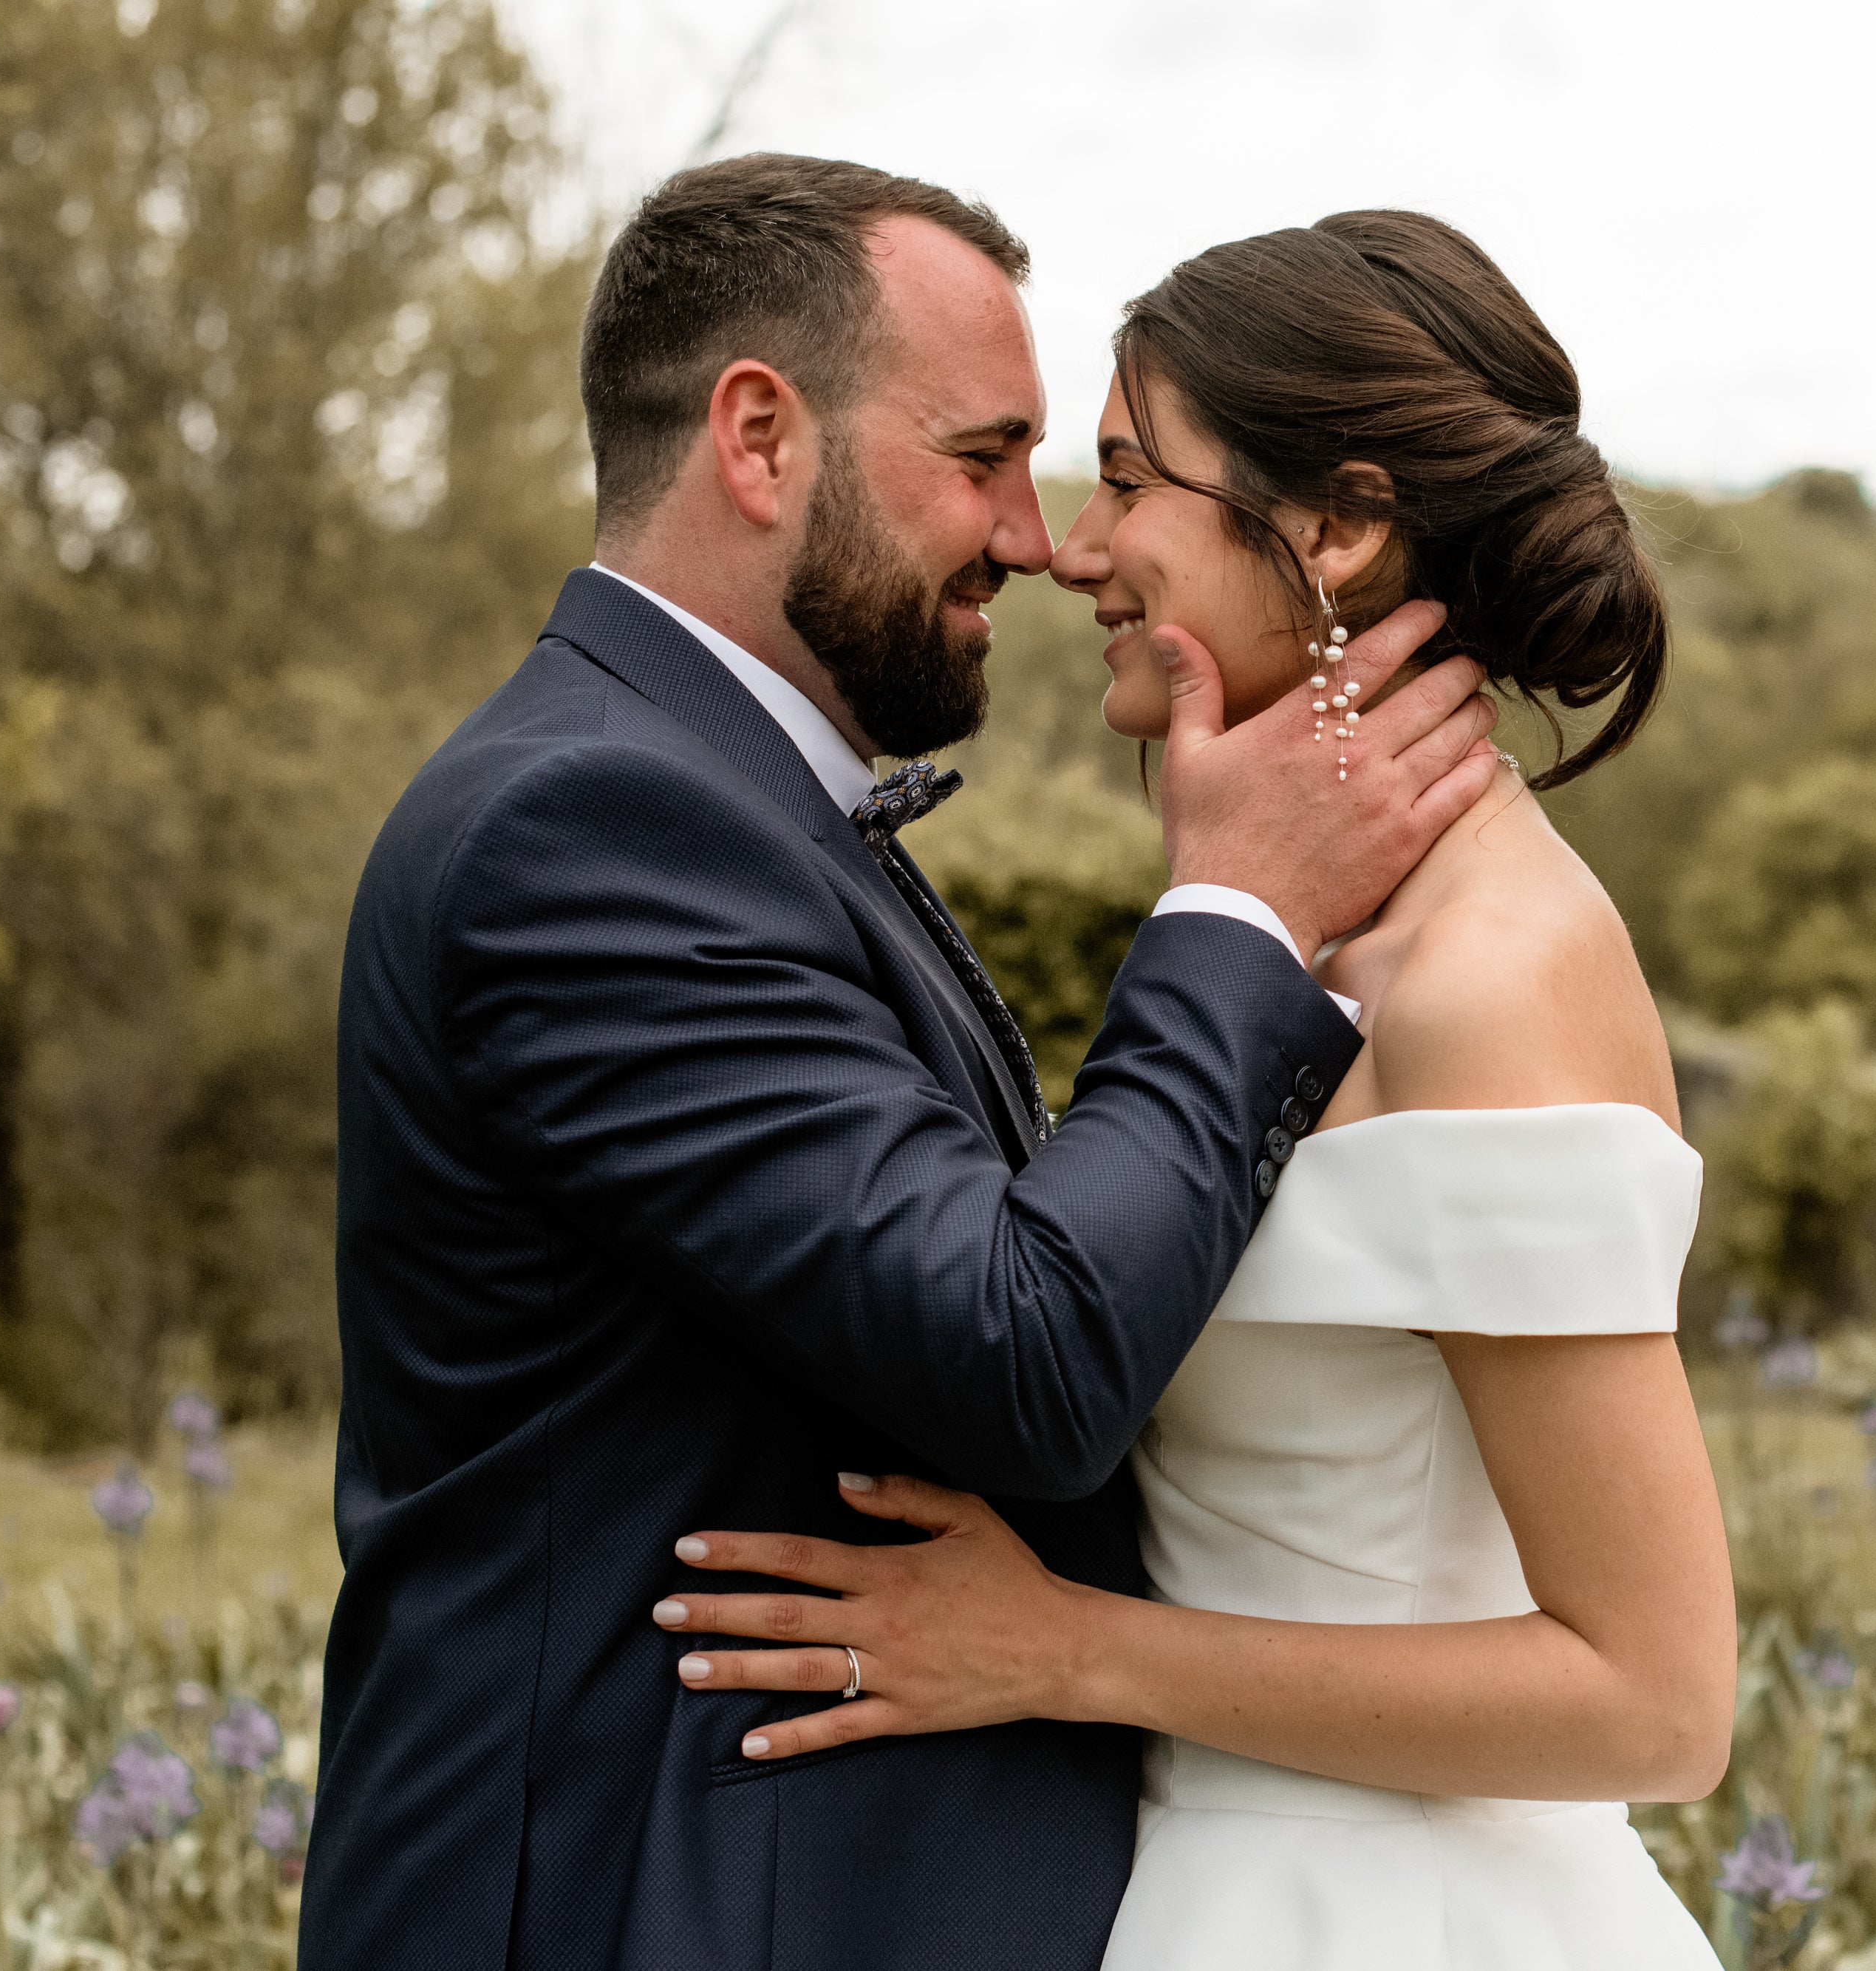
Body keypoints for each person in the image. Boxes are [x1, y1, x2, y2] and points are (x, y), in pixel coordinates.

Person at [299, 160, 1501, 1971]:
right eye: (981, 454)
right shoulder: (592, 826)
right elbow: (1020, 1351)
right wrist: (1234, 910)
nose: (1035, 537)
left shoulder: (721, 806)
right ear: (761, 438)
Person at [651, 211, 1738, 1970]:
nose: (1071, 552)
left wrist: (1062, 1648)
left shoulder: (1490, 978)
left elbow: (1654, 1696)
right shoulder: (1290, 955)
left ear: (1338, 524)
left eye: (1125, 479)